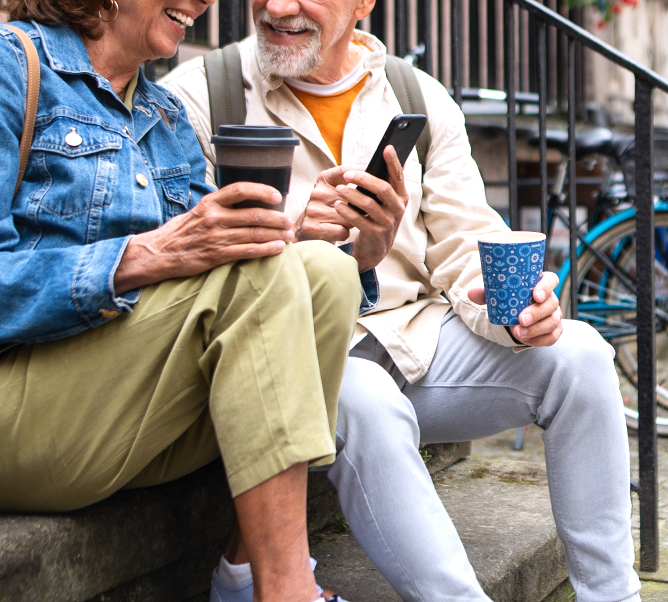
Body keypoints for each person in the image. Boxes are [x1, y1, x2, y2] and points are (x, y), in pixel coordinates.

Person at [0, 0, 379, 599]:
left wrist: (332, 243)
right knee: (262, 279)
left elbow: (217, 274)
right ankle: (289, 591)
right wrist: (147, 255)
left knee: (324, 272)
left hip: (106, 393)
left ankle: (244, 576)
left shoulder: (162, 114)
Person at [161, 0, 641, 600]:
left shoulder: (418, 96)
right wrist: (312, 243)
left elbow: (468, 244)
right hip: (291, 362)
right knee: (366, 399)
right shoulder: (198, 94)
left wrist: (517, 313)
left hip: (414, 336)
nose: (278, 7)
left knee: (582, 354)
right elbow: (186, 270)